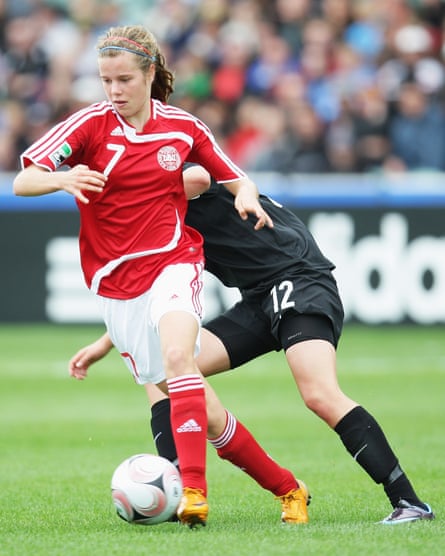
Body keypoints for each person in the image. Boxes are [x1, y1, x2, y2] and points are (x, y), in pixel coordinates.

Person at [13, 25, 312, 529]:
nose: (114, 90)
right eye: (106, 79)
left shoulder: (182, 128)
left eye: (124, 79)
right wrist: (62, 178)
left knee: (180, 358)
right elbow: (23, 180)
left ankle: (192, 490)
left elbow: (233, 174)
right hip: (115, 286)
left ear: (151, 73)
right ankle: (289, 487)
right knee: (207, 413)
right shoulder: (88, 125)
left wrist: (243, 194)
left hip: (175, 263)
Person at [70, 164, 435, 526]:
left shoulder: (159, 167)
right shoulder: (143, 222)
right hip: (258, 298)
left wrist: (130, 188)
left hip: (298, 277)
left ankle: (409, 501)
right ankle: (177, 486)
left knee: (319, 394)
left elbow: (198, 178)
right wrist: (107, 342)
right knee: (164, 371)